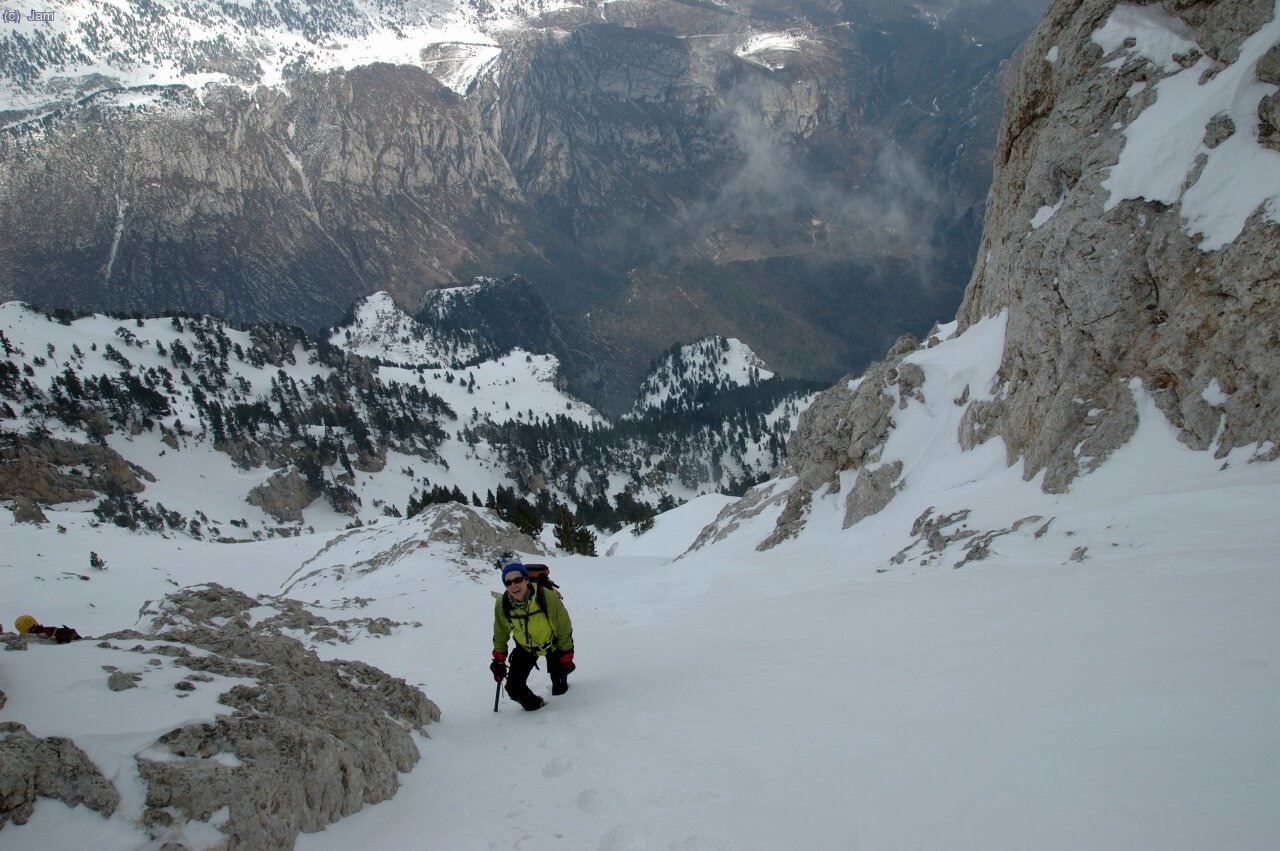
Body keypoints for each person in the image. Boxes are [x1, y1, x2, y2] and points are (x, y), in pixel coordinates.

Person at [490, 562, 575, 711]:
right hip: (525, 648)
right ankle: (537, 705)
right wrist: (499, 660)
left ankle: (563, 707)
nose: (513, 585)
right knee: (514, 689)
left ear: (526, 579)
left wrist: (566, 654)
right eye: (508, 582)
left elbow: (563, 627)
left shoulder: (546, 597)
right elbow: (501, 632)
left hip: (553, 645)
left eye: (518, 580)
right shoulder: (503, 604)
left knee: (560, 688)